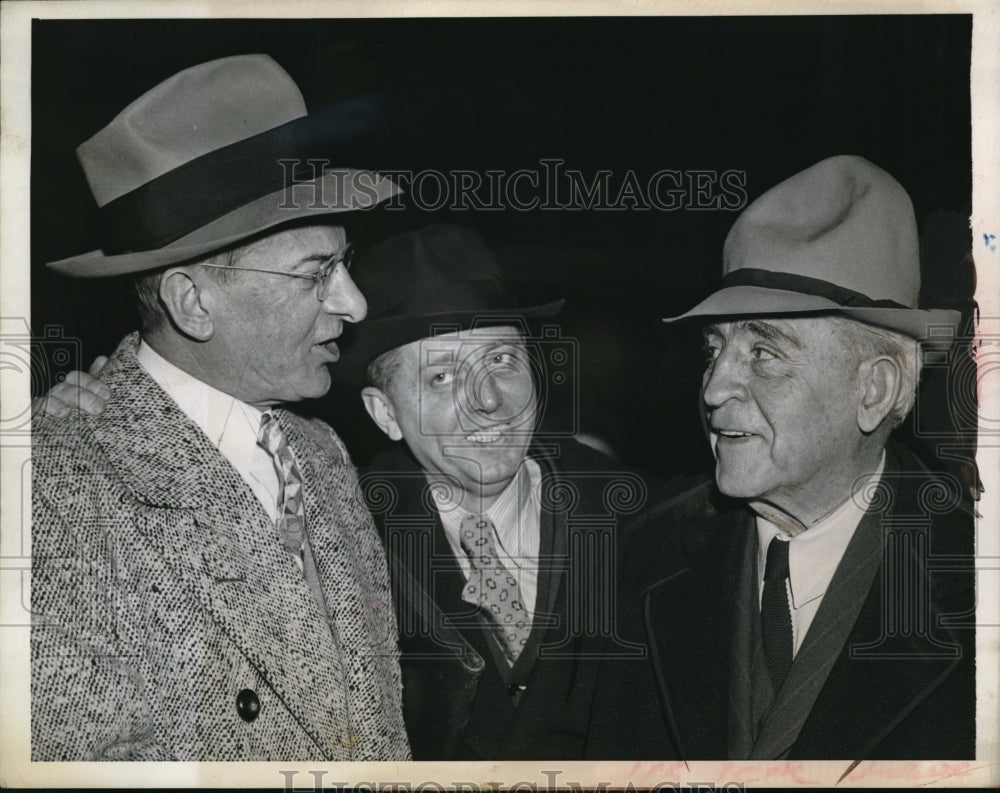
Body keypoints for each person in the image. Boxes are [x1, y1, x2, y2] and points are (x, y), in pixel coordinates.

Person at [43, 223, 669, 760]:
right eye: (443, 374)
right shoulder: (359, 504)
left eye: (503, 360)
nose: (487, 402)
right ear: (385, 414)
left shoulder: (653, 514)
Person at [30, 54, 410, 761]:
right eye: (316, 274)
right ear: (192, 302)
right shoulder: (54, 493)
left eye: (345, 262)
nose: (354, 304)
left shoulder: (322, 452)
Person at [587, 155, 976, 763]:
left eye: (764, 351)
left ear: (872, 390)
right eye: (714, 348)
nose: (714, 388)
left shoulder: (982, 584)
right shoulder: (635, 559)